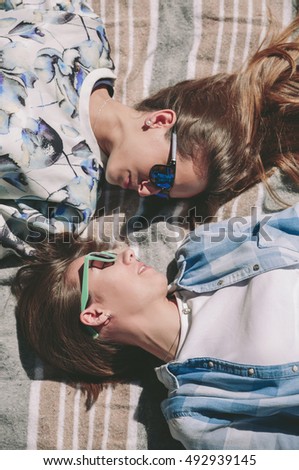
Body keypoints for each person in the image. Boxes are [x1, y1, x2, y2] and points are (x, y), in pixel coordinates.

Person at [1, 2, 299, 258]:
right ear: (160, 121)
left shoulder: (69, 205)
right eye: (162, 175)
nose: (146, 189)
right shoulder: (83, 36)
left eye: (160, 193)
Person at [12, 201, 299, 449]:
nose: (129, 254)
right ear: (95, 315)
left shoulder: (204, 249)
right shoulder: (198, 416)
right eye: (102, 262)